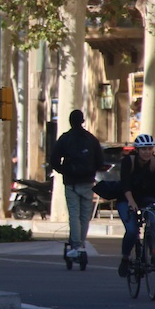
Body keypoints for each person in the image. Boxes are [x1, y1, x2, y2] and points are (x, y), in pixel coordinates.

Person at [50, 109, 105, 260]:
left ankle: (76, 245)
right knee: (84, 216)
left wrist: (64, 171)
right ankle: (81, 243)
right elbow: (100, 162)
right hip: (88, 183)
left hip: (71, 183)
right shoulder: (91, 139)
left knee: (74, 215)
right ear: (83, 121)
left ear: (70, 121)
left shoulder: (65, 139)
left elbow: (53, 160)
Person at [116, 134, 155, 277]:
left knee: (153, 224)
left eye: (149, 149)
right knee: (132, 231)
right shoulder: (128, 162)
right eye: (143, 149)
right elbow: (125, 184)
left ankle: (154, 256)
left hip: (147, 198)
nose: (146, 152)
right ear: (137, 150)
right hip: (126, 199)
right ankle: (125, 259)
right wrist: (131, 202)